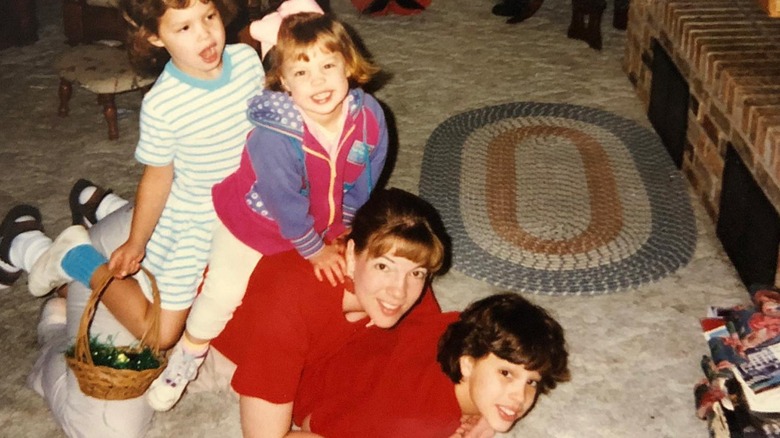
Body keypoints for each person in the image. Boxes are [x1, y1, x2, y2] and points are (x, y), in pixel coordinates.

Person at [146, 0, 389, 411]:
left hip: (322, 220)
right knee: (223, 291)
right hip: (256, 220)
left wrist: (346, 228)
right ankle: (189, 353)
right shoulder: (275, 135)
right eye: (301, 72)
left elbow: (364, 178)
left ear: (348, 64)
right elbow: (285, 203)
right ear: (283, 83)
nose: (318, 82)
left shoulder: (369, 117)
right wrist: (313, 249)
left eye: (327, 66)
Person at [15, 0, 265, 350]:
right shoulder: (163, 104)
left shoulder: (247, 61)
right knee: (160, 336)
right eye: (184, 28)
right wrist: (136, 242)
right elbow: (157, 178)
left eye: (209, 17)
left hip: (250, 208)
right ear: (155, 37)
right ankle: (77, 256)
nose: (206, 35)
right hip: (195, 224)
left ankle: (75, 275)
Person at [195, 187, 446, 437]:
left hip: (310, 350)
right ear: (350, 253)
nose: (399, 292)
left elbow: (442, 350)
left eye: (417, 272)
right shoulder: (292, 300)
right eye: (383, 267)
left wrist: (476, 412)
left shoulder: (400, 279)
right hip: (217, 349)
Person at [291, 293, 571, 437]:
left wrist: (491, 412)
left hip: (369, 336)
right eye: (506, 373)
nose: (519, 398)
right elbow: (312, 424)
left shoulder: (467, 331)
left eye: (531, 381)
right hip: (310, 370)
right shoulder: (418, 423)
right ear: (467, 363)